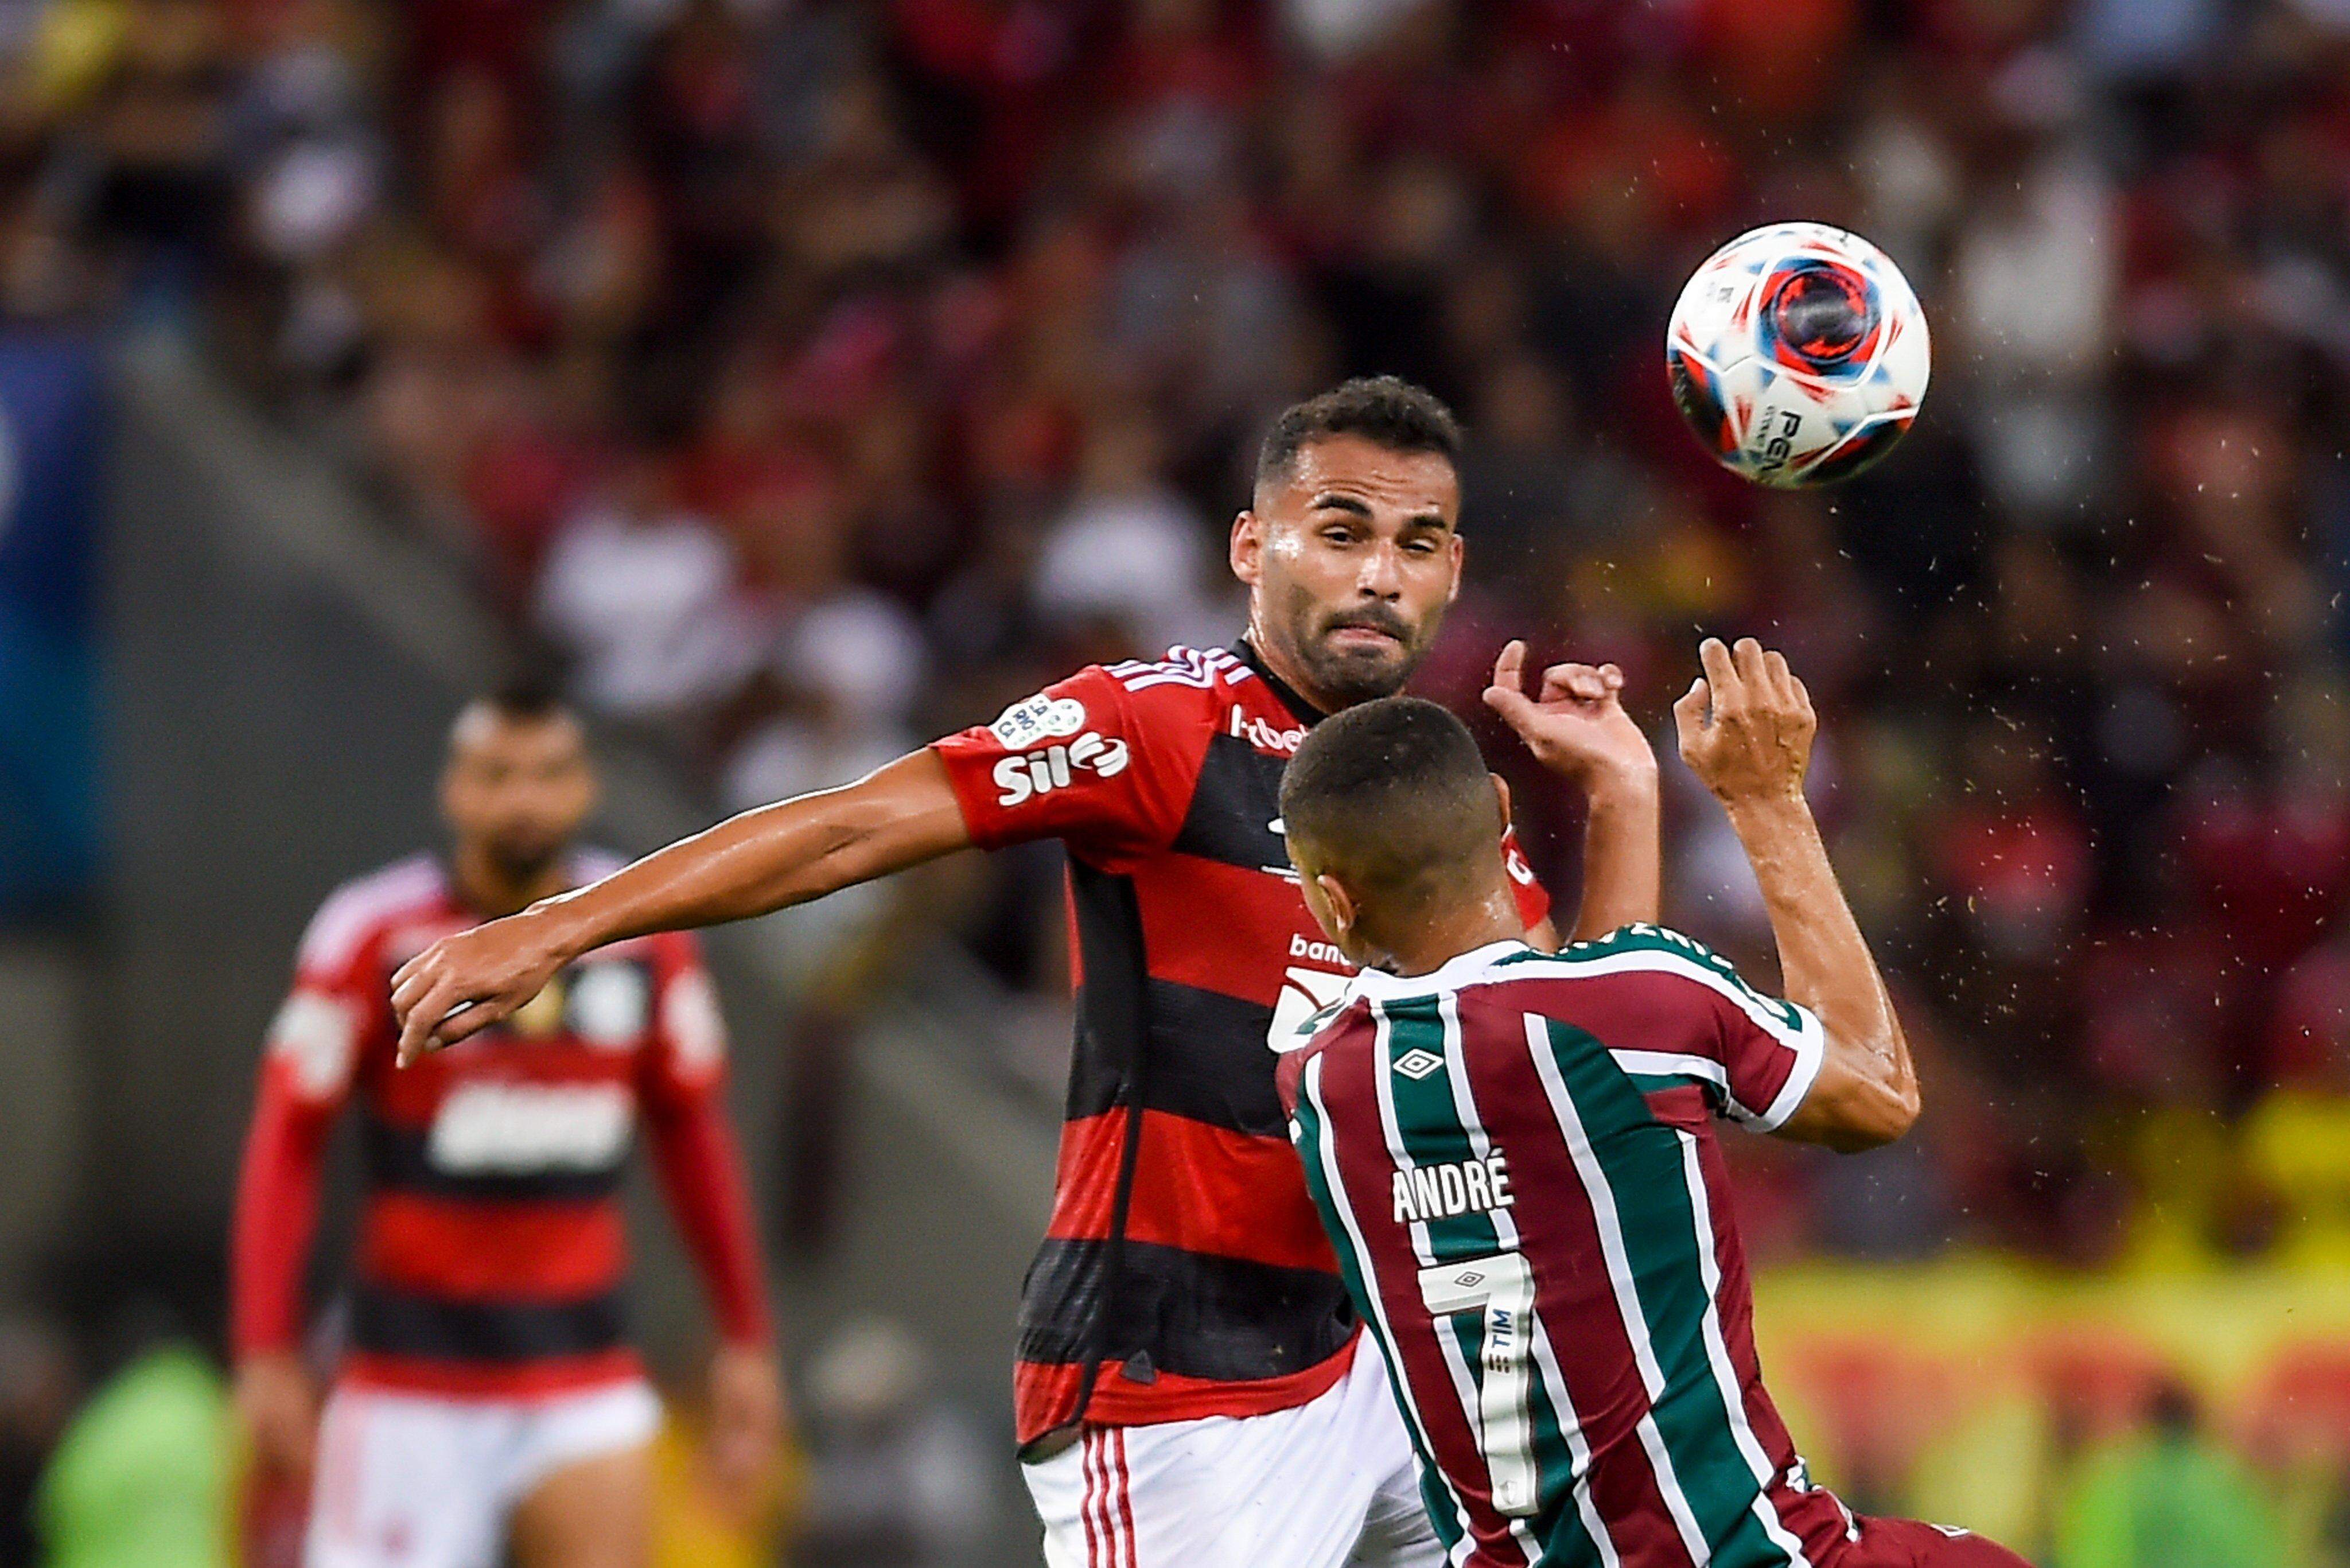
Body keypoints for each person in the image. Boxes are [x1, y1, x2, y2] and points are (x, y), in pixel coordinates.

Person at [386, 377, 1665, 1566]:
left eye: (1418, 542)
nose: (1380, 575)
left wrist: (1621, 796)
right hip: (1179, 1376)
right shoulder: (1149, 726)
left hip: (1389, 1354)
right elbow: (854, 824)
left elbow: (1572, 1059)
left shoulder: (1443, 800)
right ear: (1248, 548)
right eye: (1339, 532)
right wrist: (561, 921)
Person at [1273, 641, 2034, 1567]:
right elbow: (1875, 1092)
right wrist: (1766, 800)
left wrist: (1624, 796)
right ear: (1504, 816)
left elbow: (1552, 1027)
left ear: (1336, 903)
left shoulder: (1321, 1082)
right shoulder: (1638, 1005)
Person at [229, 686, 781, 1568]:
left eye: (548, 774)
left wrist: (745, 1338)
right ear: (454, 790)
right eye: (497, 775)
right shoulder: (373, 933)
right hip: (408, 1385)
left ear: (585, 786)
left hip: (584, 1375)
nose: (524, 799)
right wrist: (266, 1345)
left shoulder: (644, 938)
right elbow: (289, 1138)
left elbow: (695, 1137)